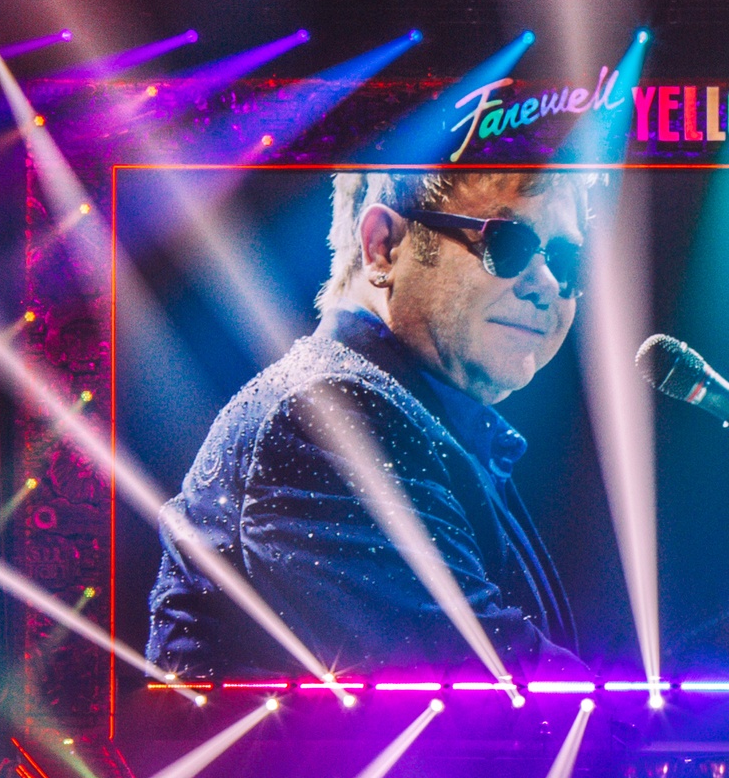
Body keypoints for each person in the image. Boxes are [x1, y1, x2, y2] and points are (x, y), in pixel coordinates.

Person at [146, 168, 596, 678]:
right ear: (383, 246)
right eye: (507, 243)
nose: (548, 285)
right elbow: (488, 688)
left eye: (566, 260)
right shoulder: (328, 415)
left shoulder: (412, 414)